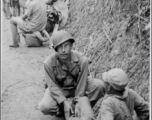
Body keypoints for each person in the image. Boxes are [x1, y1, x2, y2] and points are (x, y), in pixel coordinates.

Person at [38, 30, 105, 120]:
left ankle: (82, 108)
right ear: (55, 48)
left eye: (66, 45)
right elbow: (52, 86)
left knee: (99, 85)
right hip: (59, 89)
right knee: (45, 106)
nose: (63, 50)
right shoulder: (49, 62)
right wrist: (63, 101)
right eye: (60, 47)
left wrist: (78, 101)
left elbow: (82, 84)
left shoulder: (82, 60)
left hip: (77, 87)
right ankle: (61, 109)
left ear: (71, 46)